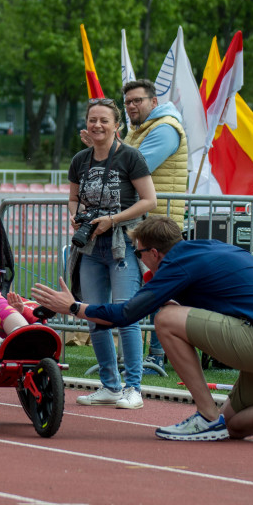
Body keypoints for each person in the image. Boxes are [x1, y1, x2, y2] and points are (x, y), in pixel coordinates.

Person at [31, 215, 253, 446]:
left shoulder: (178, 264)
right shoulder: (205, 249)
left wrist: (73, 307)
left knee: (167, 319)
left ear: (156, 252)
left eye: (139, 253)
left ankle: (206, 415)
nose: (139, 259)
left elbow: (126, 314)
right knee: (233, 426)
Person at [67, 97, 157, 410]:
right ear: (86, 124)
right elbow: (73, 198)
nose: (98, 125)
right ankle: (109, 386)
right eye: (93, 120)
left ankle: (134, 388)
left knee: (126, 314)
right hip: (90, 247)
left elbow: (149, 200)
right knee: (94, 315)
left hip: (122, 244)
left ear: (116, 125)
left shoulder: (130, 156)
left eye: (104, 120)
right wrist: (77, 218)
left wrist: (113, 220)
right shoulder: (80, 159)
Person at [121, 79, 188, 374]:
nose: (132, 106)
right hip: (147, 221)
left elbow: (136, 166)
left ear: (154, 102)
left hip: (161, 222)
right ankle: (149, 354)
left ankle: (158, 356)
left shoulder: (164, 129)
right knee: (148, 287)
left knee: (162, 289)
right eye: (128, 102)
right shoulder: (139, 130)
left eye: (138, 100)